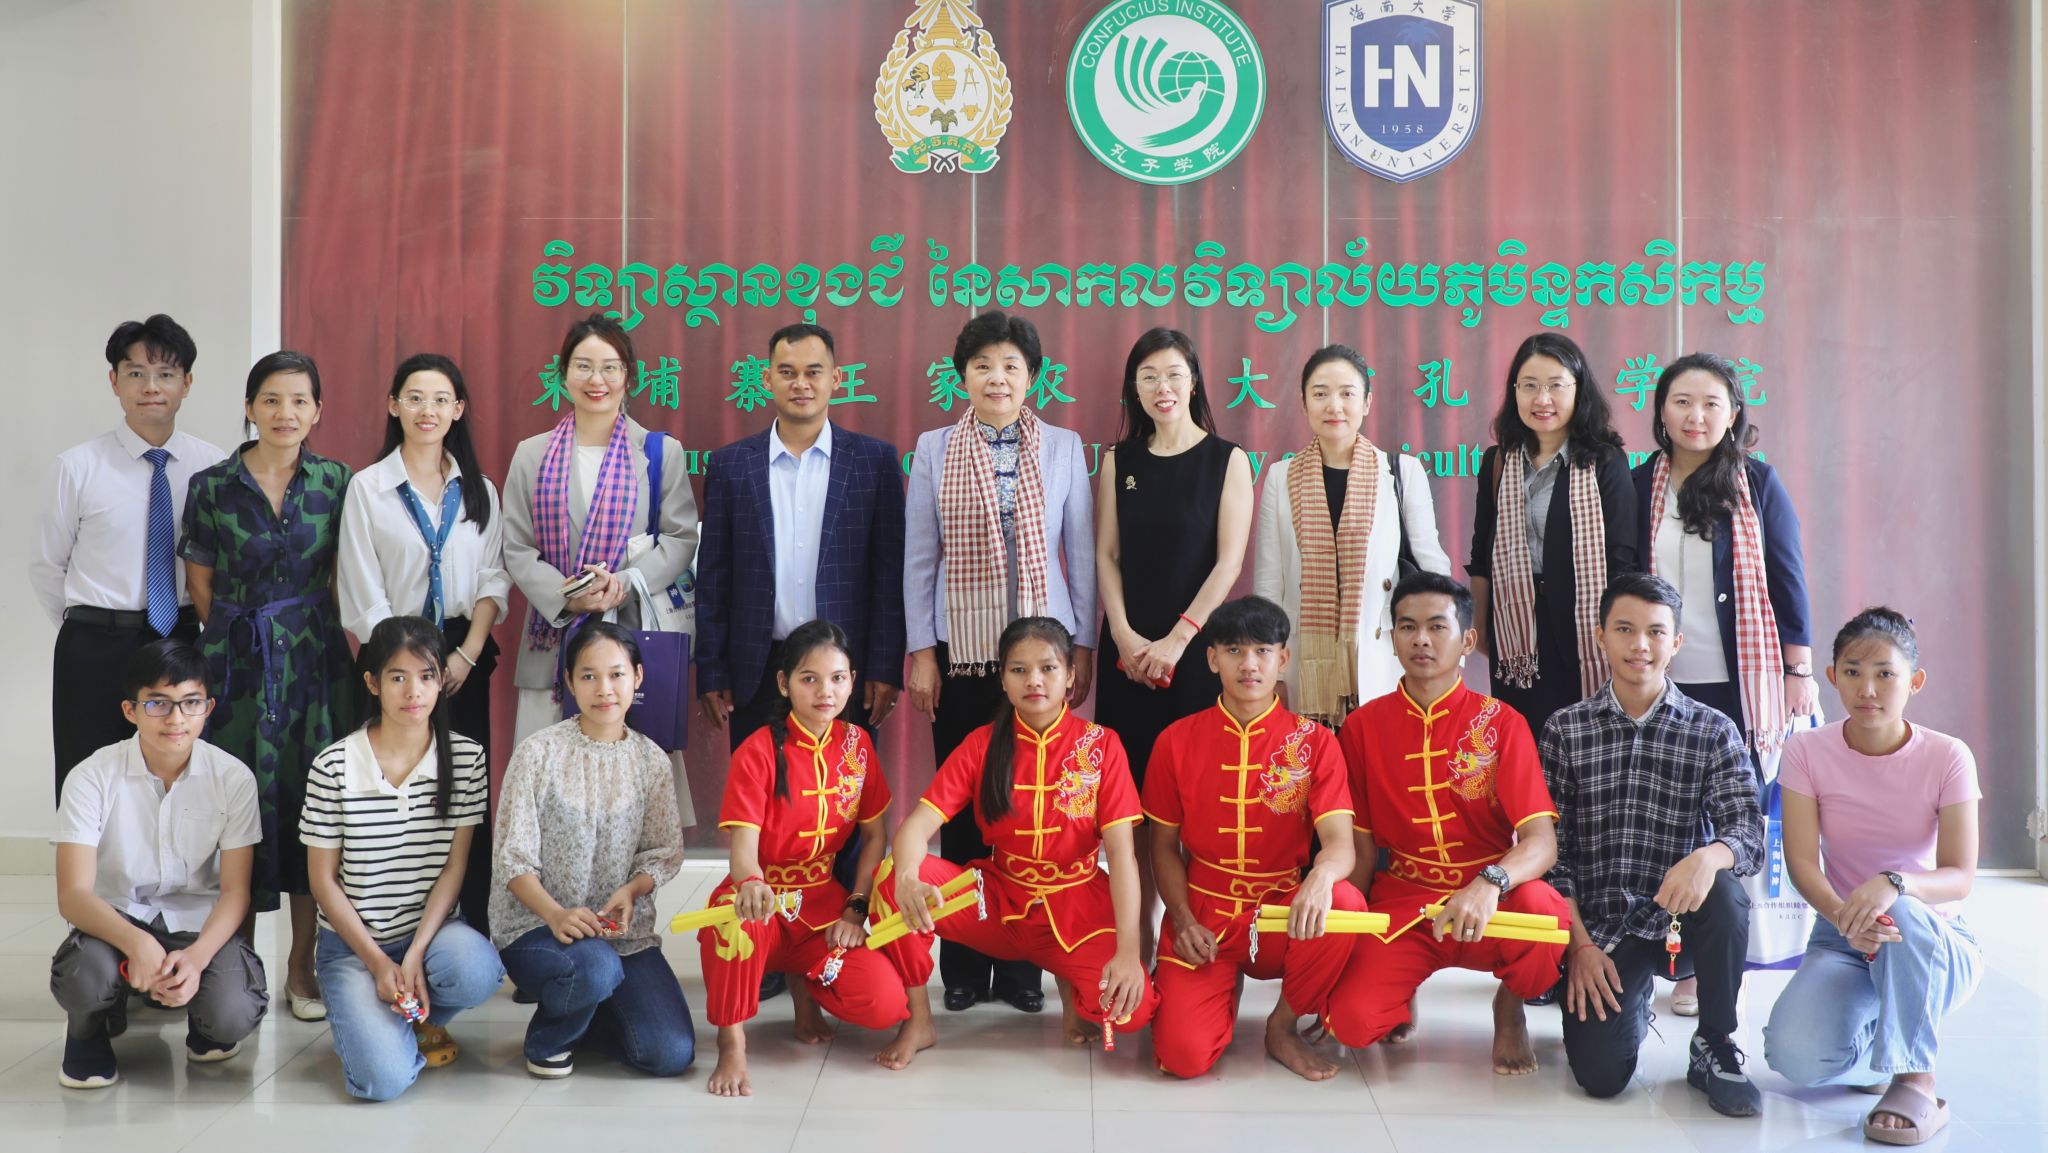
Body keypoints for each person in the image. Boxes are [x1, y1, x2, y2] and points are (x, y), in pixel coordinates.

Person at [905, 311, 1096, 1015]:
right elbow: (920, 556)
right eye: (982, 364)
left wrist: (1083, 647)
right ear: (962, 376)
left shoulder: (1064, 446)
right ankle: (963, 962)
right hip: (963, 653)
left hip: (1044, 658)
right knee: (961, 811)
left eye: (1011, 365)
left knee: (1033, 810)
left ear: (1032, 376)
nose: (997, 377)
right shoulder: (933, 447)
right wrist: (922, 650)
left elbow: (1081, 553)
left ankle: (1021, 968)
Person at [875, 617, 1156, 1069]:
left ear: (1070, 677)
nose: (1034, 681)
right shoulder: (982, 744)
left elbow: (1123, 855)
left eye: (1048, 668)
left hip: (1077, 906)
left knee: (1130, 1013)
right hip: (999, 901)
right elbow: (915, 827)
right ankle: (918, 1021)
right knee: (890, 878)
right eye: (1019, 670)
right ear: (1003, 681)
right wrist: (908, 876)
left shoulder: (1102, 746)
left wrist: (1128, 952)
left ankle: (1071, 987)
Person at [1321, 572, 1569, 1075]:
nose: (1421, 640)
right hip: (1406, 901)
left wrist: (1489, 883)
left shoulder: (1501, 722)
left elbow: (1541, 842)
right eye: (1407, 627)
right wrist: (1353, 943)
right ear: (1392, 639)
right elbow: (1362, 851)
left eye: (1437, 627)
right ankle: (1400, 989)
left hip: (1491, 899)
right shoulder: (1363, 728)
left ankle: (1510, 1004)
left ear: (1467, 641)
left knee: (1545, 915)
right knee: (1350, 1023)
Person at [1542, 572, 1764, 1116]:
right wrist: (1580, 947)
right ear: (1600, 636)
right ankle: (1632, 1001)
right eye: (1624, 629)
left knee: (1726, 892)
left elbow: (1747, 831)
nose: (1640, 645)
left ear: (1677, 642)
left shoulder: (1713, 729)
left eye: (1656, 632)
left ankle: (1714, 1042)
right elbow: (1552, 854)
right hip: (1605, 929)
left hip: (1681, 918)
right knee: (1600, 1077)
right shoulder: (1566, 730)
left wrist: (1709, 856)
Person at [1632, 351, 1812, 1016]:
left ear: (1733, 412)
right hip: (1660, 683)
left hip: (1740, 683)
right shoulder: (1639, 482)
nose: (1696, 415)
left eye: (1711, 403)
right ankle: (1668, 958)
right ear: (1661, 410)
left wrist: (1798, 670)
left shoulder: (1756, 482)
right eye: (1682, 401)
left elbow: (1787, 575)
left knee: (1727, 827)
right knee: (1671, 822)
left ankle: (1712, 966)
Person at [180, 349, 355, 1023]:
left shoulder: (337, 482)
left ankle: (301, 965)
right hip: (237, 672)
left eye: (300, 400)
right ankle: (237, 966)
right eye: (272, 399)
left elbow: (342, 576)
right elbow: (201, 583)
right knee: (239, 811)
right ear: (250, 407)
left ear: (318, 410)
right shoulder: (212, 485)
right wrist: (241, 639)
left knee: (313, 812)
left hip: (316, 669)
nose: (286, 413)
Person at [1763, 609, 1980, 1145]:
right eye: (1853, 671)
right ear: (1831, 676)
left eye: (1885, 674)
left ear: (1915, 681)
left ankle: (1915, 1078)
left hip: (1930, 939)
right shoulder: (1806, 750)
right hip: (1843, 935)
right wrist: (1844, 917)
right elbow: (1802, 862)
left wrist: (1895, 882)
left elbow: (1959, 876)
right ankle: (1890, 1047)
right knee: (1794, 1057)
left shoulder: (1949, 755)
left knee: (1900, 906)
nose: (1867, 689)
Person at [1143, 595, 1362, 1081]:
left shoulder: (1315, 742)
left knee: (1344, 903)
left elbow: (1340, 843)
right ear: (1212, 659)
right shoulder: (1175, 741)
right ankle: (1217, 985)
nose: (1249, 664)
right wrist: (1182, 919)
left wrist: (1321, 877)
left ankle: (1282, 1026)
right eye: (1234, 650)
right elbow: (1162, 847)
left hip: (1284, 909)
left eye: (1263, 651)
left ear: (1283, 659)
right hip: (1204, 912)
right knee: (1182, 1057)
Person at [1095, 328, 1254, 961]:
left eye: (1173, 375)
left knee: (1192, 801)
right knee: (1128, 808)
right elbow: (1107, 555)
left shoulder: (1227, 460)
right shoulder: (1119, 461)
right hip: (1128, 655)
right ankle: (1135, 940)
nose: (1162, 388)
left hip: (1195, 657)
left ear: (1193, 383)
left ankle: (1190, 932)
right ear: (1133, 388)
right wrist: (1125, 635)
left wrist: (1178, 640)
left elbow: (1228, 563)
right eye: (1148, 377)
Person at [337, 353, 510, 935]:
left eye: (440, 399)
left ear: (458, 409)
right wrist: (407, 670)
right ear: (394, 405)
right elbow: (361, 587)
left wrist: (465, 655)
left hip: (462, 658)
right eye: (414, 398)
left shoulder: (479, 490)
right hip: (393, 655)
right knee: (395, 794)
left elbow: (493, 578)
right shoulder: (368, 488)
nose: (427, 410)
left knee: (464, 795)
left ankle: (472, 930)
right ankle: (390, 929)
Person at [700, 620, 909, 1097]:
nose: (824, 691)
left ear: (852, 681)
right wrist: (751, 884)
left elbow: (875, 836)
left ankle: (804, 992)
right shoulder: (757, 750)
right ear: (784, 683)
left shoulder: (858, 746)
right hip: (760, 897)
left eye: (837, 678)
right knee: (738, 927)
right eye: (809, 679)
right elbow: (743, 855)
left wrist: (856, 906)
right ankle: (731, 1042)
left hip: (821, 902)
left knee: (883, 1004)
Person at [302, 617, 505, 1101]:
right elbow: (323, 883)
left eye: (427, 676)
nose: (414, 692)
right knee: (382, 1082)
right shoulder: (334, 765)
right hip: (354, 949)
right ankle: (385, 1028)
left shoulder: (466, 758)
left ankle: (404, 1020)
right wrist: (377, 962)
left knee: (477, 971)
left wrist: (414, 953)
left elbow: (454, 867)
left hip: (429, 937)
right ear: (372, 683)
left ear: (441, 680)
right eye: (398, 677)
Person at [50, 640, 267, 1089]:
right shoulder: (91, 776)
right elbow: (73, 895)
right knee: (85, 979)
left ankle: (203, 1020)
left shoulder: (233, 778)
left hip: (197, 923)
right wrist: (137, 942)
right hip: (116, 920)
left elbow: (235, 892)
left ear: (208, 708)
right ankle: (88, 1028)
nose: (176, 719)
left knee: (232, 1012)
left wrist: (197, 959)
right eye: (158, 704)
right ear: (130, 710)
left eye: (190, 703)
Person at [33, 315, 225, 796]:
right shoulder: (77, 467)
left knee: (179, 776)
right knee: (87, 773)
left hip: (181, 637)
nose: (150, 387)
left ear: (187, 383)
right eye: (136, 373)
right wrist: (90, 626)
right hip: (95, 645)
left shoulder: (214, 468)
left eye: (165, 374)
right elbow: (48, 566)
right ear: (114, 381)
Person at [492, 622, 693, 1079]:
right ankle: (549, 1039)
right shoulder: (537, 753)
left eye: (617, 674)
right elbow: (512, 859)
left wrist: (633, 890)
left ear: (637, 677)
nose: (604, 689)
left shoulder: (652, 760)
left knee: (670, 1053)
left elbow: (662, 851)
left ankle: (588, 1013)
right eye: (588, 676)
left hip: (622, 938)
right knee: (595, 966)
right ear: (569, 681)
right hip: (538, 930)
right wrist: (556, 915)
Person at [696, 321, 906, 742]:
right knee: (762, 781)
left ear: (836, 378)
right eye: (788, 372)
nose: (801, 384)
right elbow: (714, 577)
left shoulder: (873, 462)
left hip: (843, 670)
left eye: (813, 372)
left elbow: (889, 574)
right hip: (757, 667)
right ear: (767, 378)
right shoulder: (731, 465)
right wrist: (712, 669)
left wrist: (885, 667)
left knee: (844, 783)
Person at [504, 313, 700, 748]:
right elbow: (516, 546)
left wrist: (623, 584)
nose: (597, 380)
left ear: (628, 376)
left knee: (633, 772)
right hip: (553, 642)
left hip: (630, 638)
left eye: (610, 367)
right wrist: (566, 596)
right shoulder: (532, 455)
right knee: (548, 769)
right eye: (583, 366)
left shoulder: (659, 452)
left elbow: (680, 537)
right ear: (564, 375)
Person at [1254, 344, 1451, 727]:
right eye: (1320, 393)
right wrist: (1270, 668)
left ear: (1367, 402)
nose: (1334, 406)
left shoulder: (1401, 472)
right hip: (1304, 664)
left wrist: (1444, 654)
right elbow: (1269, 584)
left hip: (1383, 659)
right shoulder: (1281, 476)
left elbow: (1434, 573)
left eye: (1347, 393)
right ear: (1303, 403)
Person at [1468, 333, 1638, 739]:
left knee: (1586, 742)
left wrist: (1620, 630)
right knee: (1522, 744)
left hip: (1586, 626)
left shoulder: (1605, 461)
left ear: (1578, 390)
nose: (1542, 399)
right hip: (1516, 631)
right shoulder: (1497, 462)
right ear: (1514, 391)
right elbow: (1481, 554)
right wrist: (1481, 627)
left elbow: (1622, 558)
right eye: (1529, 385)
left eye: (1556, 385)